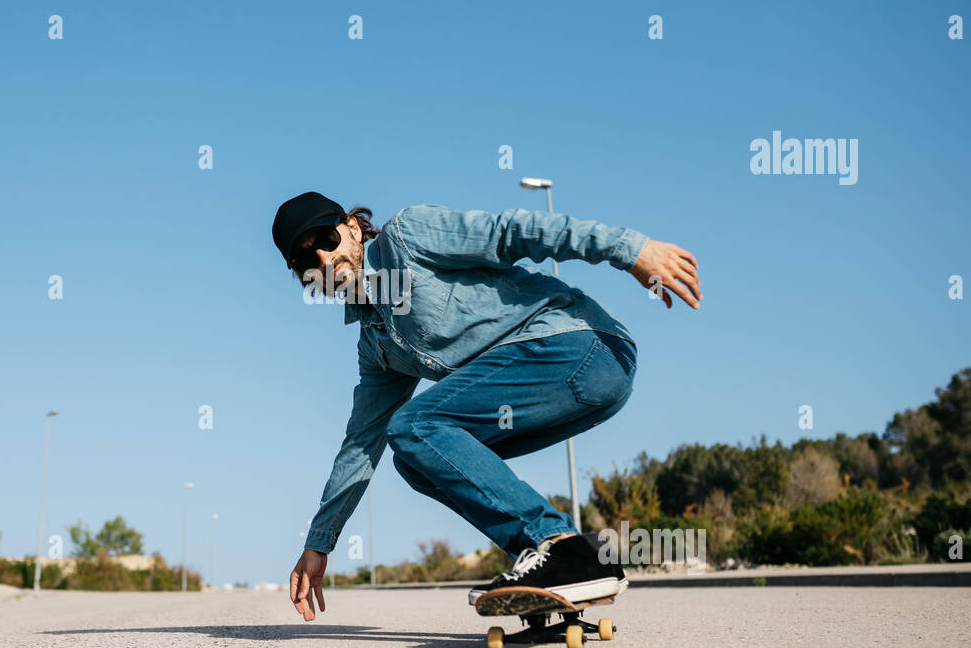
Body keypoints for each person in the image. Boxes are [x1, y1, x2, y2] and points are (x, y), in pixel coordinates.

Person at [271, 192, 701, 621]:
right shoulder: (378, 344)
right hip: (567, 386)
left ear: (351, 228)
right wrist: (319, 543)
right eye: (308, 263)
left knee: (416, 425)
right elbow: (361, 444)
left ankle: (560, 544)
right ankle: (556, 566)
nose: (325, 261)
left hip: (581, 346)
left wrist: (630, 249)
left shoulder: (408, 237)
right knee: (416, 457)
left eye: (326, 240)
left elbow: (514, 232)